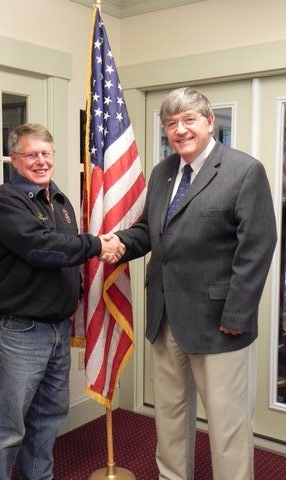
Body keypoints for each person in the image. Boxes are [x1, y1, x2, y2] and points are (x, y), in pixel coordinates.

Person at [105, 87, 277, 480]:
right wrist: (120, 244)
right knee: (169, 414)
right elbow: (150, 231)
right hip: (165, 318)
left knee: (226, 423)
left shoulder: (243, 171)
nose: (180, 130)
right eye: (171, 124)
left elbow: (257, 248)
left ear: (209, 121)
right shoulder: (162, 172)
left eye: (189, 120)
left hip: (220, 323)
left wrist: (237, 314)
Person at [0, 123, 124, 480]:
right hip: (19, 331)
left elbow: (67, 257)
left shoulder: (60, 200)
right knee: (7, 429)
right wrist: (96, 245)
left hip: (58, 329)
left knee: (46, 422)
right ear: (15, 159)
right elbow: (41, 248)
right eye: (31, 154)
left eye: (46, 153)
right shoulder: (5, 200)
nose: (41, 161)